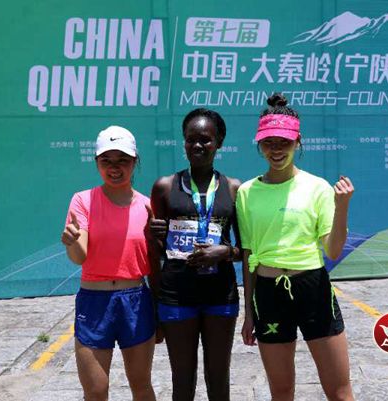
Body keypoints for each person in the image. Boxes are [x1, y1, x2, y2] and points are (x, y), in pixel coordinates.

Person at [236, 93, 355, 401]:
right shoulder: (247, 193)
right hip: (269, 294)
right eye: (269, 143)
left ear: (298, 142)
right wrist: (249, 312)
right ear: (259, 145)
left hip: (313, 290)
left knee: (340, 392)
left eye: (284, 142)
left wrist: (342, 207)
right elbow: (249, 255)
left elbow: (333, 251)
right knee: (281, 391)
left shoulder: (317, 188)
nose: (276, 150)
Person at [147, 108, 241, 401]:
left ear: (219, 142)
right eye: (191, 139)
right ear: (184, 141)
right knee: (182, 380)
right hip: (176, 295)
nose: (197, 145)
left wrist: (225, 251)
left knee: (219, 379)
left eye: (205, 139)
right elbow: (157, 253)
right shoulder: (164, 187)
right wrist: (153, 236)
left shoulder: (234, 189)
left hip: (220, 296)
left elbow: (247, 250)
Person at [61, 126, 156, 401]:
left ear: (135, 161)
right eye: (106, 161)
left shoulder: (148, 206)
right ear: (97, 163)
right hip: (94, 302)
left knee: (141, 385)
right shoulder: (83, 200)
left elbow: (156, 260)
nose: (114, 168)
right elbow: (79, 256)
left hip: (136, 301)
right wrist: (72, 241)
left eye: (122, 160)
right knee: (95, 390)